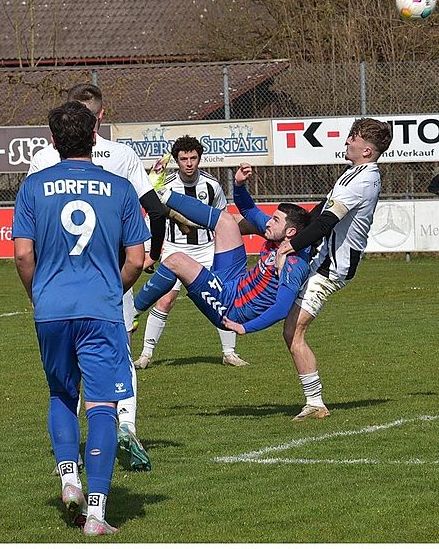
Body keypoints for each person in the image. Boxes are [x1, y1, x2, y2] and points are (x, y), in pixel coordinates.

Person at [14, 101, 150, 535]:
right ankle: (96, 514)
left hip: (52, 308)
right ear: (94, 135)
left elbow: (23, 254)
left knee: (60, 393)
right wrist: (111, 289)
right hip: (101, 309)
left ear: (52, 141)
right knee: (103, 405)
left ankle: (69, 477)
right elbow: (136, 259)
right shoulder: (120, 188)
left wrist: (39, 294)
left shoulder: (33, 187)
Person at [273, 117, 392, 421]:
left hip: (332, 267)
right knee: (289, 326)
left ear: (367, 150)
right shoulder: (355, 173)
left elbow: (327, 222)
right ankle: (314, 401)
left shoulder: (361, 180)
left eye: (353, 137)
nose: (347, 140)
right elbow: (320, 212)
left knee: (293, 330)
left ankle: (315, 403)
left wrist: (289, 246)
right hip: (325, 260)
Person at [132, 163, 312, 336]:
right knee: (226, 221)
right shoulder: (278, 234)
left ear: (291, 232)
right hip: (235, 282)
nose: (268, 222)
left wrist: (245, 328)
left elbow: (282, 308)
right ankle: (162, 193)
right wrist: (239, 185)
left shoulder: (294, 265)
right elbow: (249, 209)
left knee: (175, 260)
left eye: (275, 220)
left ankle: (131, 313)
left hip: (231, 308)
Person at [133, 135, 249, 369]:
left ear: (199, 158)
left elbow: (222, 219)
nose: (189, 163)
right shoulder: (166, 186)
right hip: (175, 249)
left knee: (222, 300)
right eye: (184, 159)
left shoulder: (211, 185)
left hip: (206, 250)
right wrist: (148, 251)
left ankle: (229, 353)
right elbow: (151, 219)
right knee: (166, 300)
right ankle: (145, 355)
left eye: (193, 158)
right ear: (177, 160)